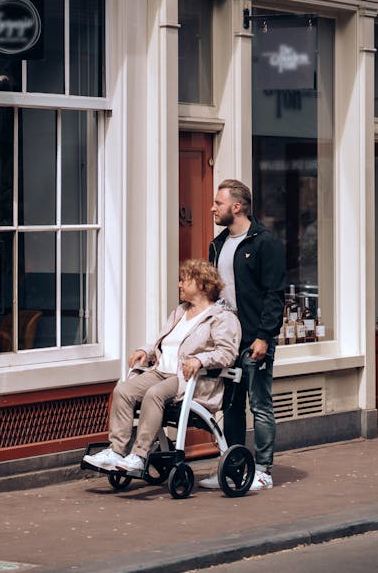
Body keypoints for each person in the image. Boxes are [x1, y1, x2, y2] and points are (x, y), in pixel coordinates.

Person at [83, 260, 240, 473]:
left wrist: (200, 360)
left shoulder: (222, 318)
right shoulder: (180, 312)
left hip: (190, 380)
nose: (179, 285)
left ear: (203, 285)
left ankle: (138, 455)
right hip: (160, 371)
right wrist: (145, 351)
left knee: (154, 394)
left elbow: (227, 353)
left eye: (184, 280)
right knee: (123, 390)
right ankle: (116, 450)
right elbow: (162, 342)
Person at [200, 179, 286, 491]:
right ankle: (233, 467)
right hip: (226, 341)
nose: (212, 208)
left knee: (259, 403)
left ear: (236, 207)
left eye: (218, 203)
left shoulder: (265, 243)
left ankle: (263, 470)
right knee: (231, 406)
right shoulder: (218, 245)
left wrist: (264, 336)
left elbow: (275, 295)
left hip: (254, 339)